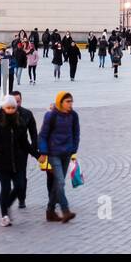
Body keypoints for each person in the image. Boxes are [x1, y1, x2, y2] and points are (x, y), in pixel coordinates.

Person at [0, 94, 39, 226]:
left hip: (17, 161)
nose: (10, 110)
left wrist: (37, 155)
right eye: (8, 108)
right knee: (6, 187)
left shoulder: (19, 123)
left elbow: (25, 143)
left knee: (20, 186)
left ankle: (7, 204)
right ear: (3, 108)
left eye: (13, 108)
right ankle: (4, 215)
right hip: (2, 162)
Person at [37, 91, 79, 223]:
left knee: (57, 183)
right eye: (67, 102)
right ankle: (65, 210)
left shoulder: (73, 115)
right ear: (60, 102)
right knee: (60, 181)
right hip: (54, 153)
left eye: (71, 101)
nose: (70, 104)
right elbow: (43, 135)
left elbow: (76, 132)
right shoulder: (51, 116)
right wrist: (43, 152)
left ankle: (50, 211)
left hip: (67, 153)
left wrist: (74, 148)